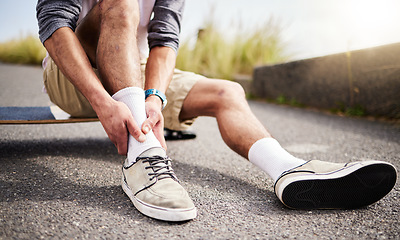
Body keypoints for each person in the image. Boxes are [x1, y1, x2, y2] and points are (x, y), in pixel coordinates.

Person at [36, 0, 397, 222]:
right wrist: (102, 101)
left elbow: (165, 41)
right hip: (70, 72)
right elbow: (52, 20)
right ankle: (143, 159)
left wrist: (154, 97)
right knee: (124, 2)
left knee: (227, 91)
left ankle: (287, 169)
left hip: (132, 68)